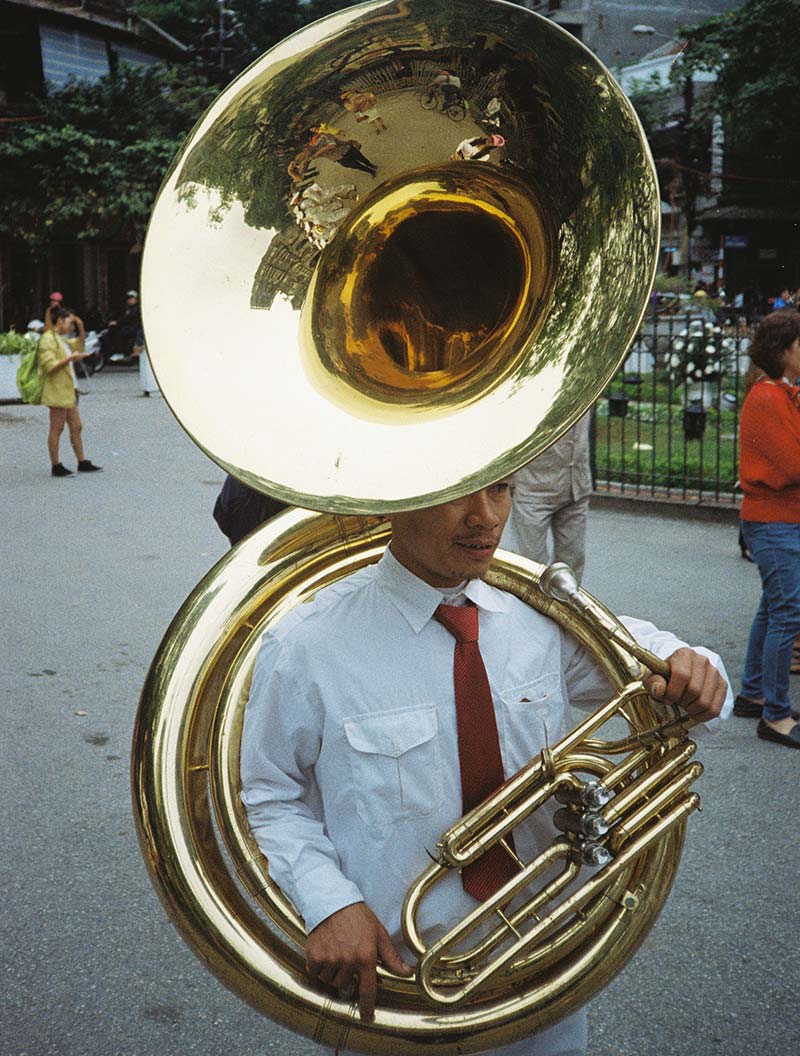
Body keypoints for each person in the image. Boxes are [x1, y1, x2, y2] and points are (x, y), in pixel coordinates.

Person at [241, 482, 730, 1053]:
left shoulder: (540, 617)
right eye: (456, 494)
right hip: (397, 993)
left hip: (545, 978)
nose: (487, 518)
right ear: (393, 499)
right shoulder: (309, 643)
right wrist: (330, 902)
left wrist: (692, 668)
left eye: (500, 490)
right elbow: (270, 793)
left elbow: (653, 660)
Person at [733, 310, 800, 747]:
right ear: (784, 351)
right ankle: (775, 716)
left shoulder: (780, 394)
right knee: (788, 611)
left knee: (771, 608)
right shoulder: (768, 398)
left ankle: (753, 693)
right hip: (775, 520)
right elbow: (794, 464)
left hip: (778, 519)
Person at [503, 412, 592, 583]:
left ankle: (566, 607)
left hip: (576, 487)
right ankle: (529, 609)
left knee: (573, 561)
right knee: (530, 566)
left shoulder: (585, 386)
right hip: (533, 489)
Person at [37, 306, 102, 477]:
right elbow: (49, 366)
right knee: (56, 428)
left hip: (69, 390)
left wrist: (80, 327)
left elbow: (78, 345)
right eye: (69, 323)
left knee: (76, 426)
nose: (71, 327)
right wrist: (70, 359)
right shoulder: (48, 339)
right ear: (59, 321)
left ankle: (82, 461)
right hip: (57, 390)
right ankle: (56, 465)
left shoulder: (61, 339)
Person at [212, 474, 286, 546]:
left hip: (242, 545)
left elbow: (221, 516)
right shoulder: (290, 475)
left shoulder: (237, 473)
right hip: (282, 544)